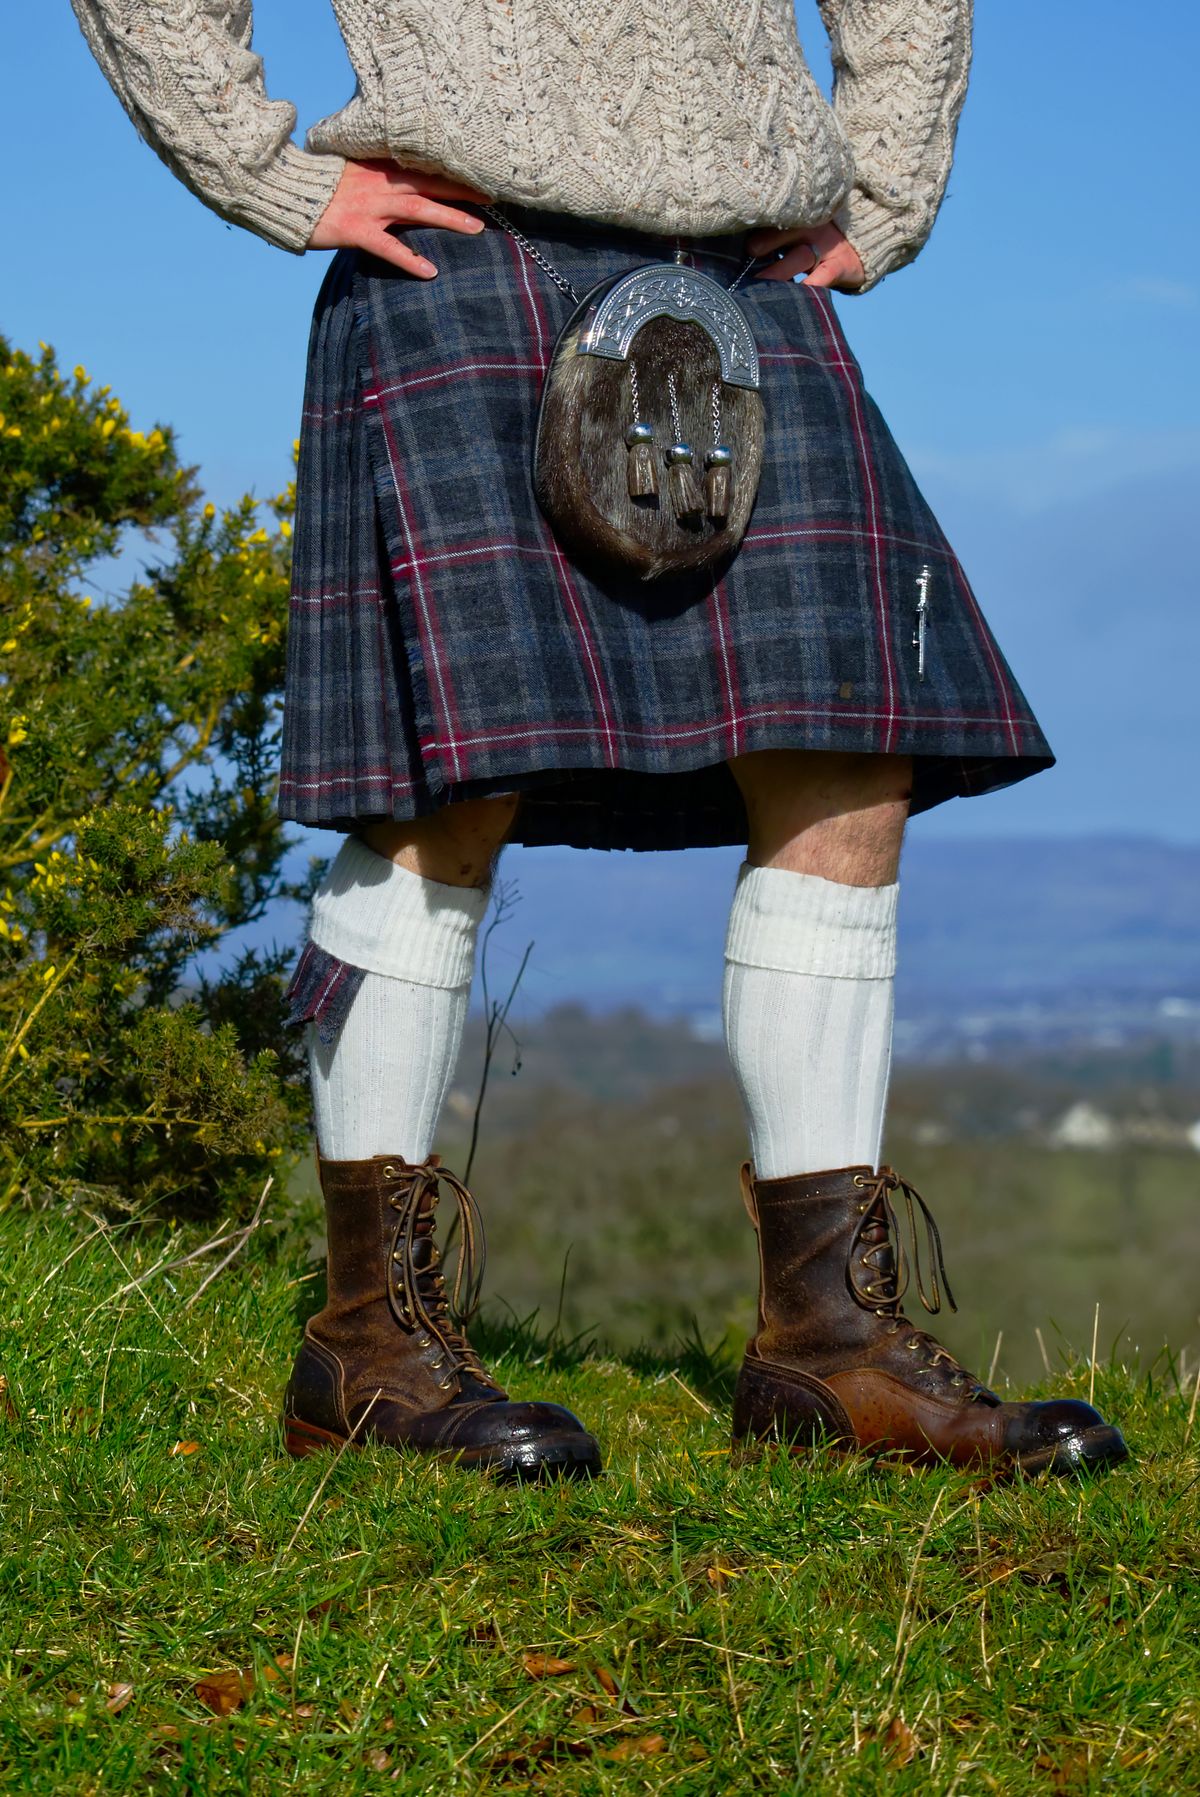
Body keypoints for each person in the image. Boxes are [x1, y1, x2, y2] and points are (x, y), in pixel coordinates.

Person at [72, 0, 1126, 1482]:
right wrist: (265, 170)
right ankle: (368, 1343)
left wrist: (884, 179)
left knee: (844, 765)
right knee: (451, 777)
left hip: (747, 266)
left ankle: (828, 1349)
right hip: (462, 242)